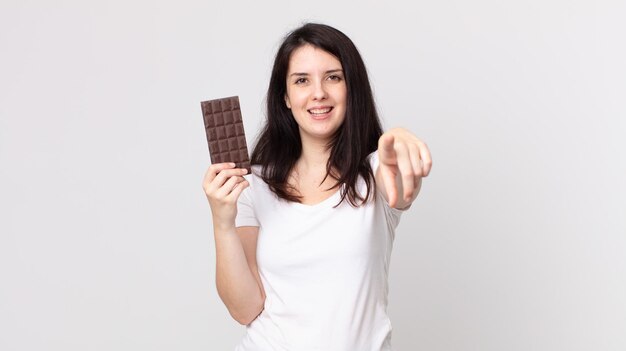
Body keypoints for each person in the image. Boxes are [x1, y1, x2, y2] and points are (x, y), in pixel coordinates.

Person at [202, 23, 432, 351]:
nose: (318, 93)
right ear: (285, 96)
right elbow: (245, 309)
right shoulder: (254, 183)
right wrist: (222, 221)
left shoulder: (376, 173)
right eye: (301, 80)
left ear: (352, 88)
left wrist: (399, 140)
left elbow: (400, 182)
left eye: (333, 77)